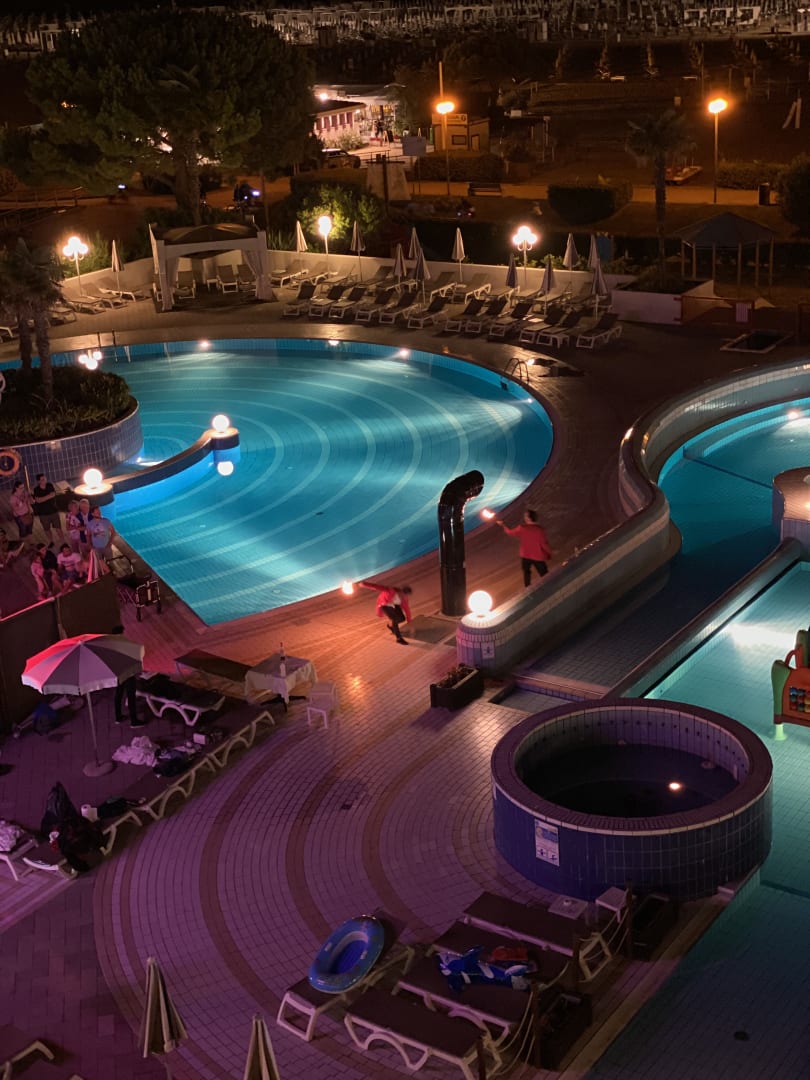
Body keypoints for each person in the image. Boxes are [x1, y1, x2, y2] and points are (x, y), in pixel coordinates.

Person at [497, 509, 552, 587]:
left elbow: (510, 532)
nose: (524, 517)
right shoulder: (540, 530)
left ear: (529, 518)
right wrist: (549, 553)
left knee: (527, 574)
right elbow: (544, 544)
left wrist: (503, 525)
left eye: (525, 516)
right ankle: (550, 586)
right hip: (538, 556)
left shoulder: (522, 528)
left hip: (525, 555)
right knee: (545, 575)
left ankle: (528, 589)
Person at [360, 580, 413, 644]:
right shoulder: (391, 590)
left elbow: (407, 610)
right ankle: (399, 638)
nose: (403, 597)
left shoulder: (404, 599)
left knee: (402, 618)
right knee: (394, 619)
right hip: (385, 605)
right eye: (403, 595)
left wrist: (409, 622)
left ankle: (391, 626)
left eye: (405, 596)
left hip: (394, 606)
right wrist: (364, 584)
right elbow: (377, 587)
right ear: (400, 591)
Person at [31, 473, 64, 543]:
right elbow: (38, 500)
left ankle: (62, 541)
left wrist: (42, 498)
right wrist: (48, 496)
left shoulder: (49, 485)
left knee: (58, 528)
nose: (44, 480)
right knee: (47, 529)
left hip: (53, 511)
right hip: (43, 514)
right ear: (38, 481)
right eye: (42, 479)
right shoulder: (36, 489)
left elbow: (53, 495)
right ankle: (51, 541)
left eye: (45, 478)